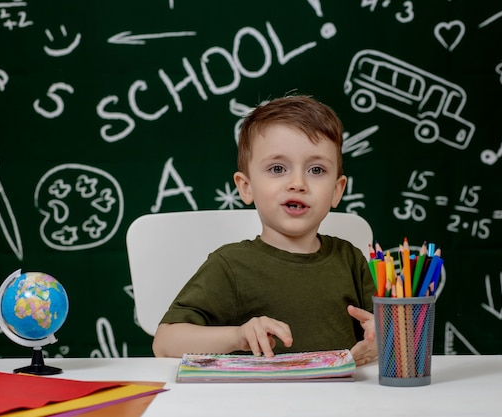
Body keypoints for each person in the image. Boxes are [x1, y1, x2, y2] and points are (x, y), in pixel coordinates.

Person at [152, 95, 377, 366]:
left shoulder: (350, 259)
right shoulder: (230, 265)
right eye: (277, 168)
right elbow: (165, 343)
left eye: (316, 169)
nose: (297, 183)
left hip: (343, 404)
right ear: (246, 187)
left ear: (337, 190)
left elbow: (386, 333)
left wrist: (383, 334)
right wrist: (238, 336)